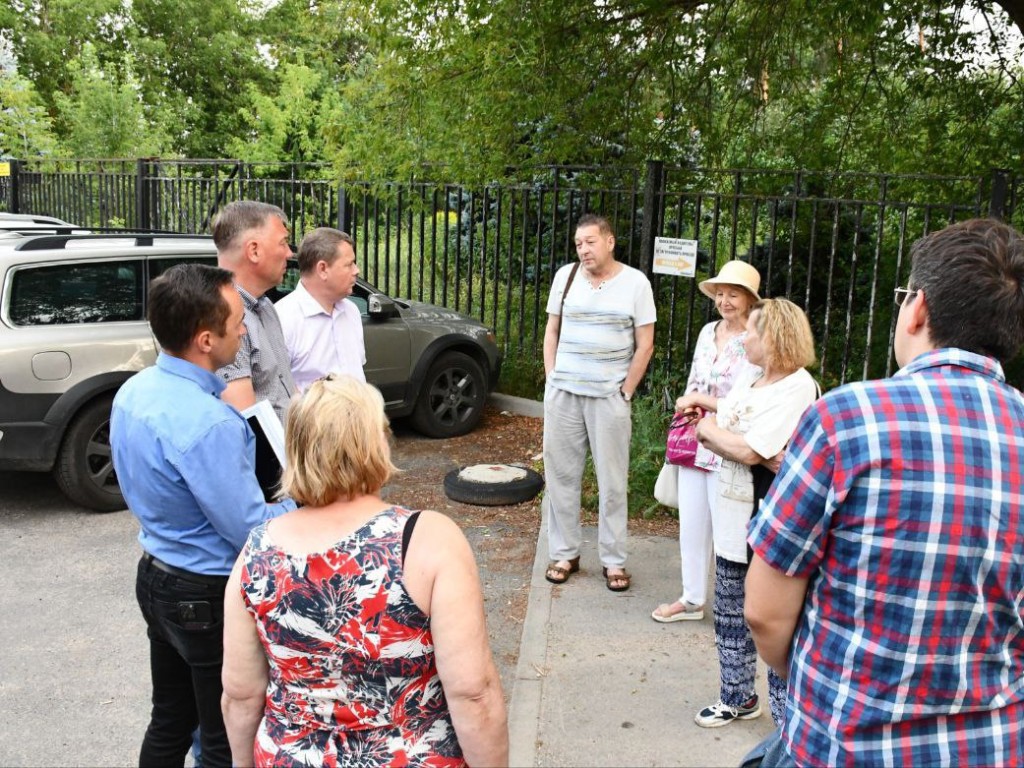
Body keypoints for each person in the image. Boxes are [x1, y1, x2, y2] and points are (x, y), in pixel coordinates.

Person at [745, 218, 1024, 767]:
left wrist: (814, 684)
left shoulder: (845, 421)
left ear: (917, 309)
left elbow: (765, 612)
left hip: (845, 744)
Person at [221, 375, 509, 767]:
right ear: (376, 442)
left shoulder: (255, 553)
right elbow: (473, 692)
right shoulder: (426, 541)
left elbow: (240, 695)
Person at [110, 263, 296, 768]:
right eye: (238, 321)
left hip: (155, 575)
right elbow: (249, 529)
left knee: (169, 719)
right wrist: (302, 501)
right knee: (222, 736)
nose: (244, 329)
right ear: (207, 339)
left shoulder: (135, 391)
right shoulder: (211, 422)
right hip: (204, 594)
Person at [676, 298, 817, 729]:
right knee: (730, 611)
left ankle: (786, 723)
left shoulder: (797, 388)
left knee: (773, 622)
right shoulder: (755, 376)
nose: (744, 339)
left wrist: (705, 430)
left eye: (751, 333)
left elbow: (748, 448)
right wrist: (711, 411)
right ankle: (736, 697)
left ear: (773, 337)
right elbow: (743, 427)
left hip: (772, 522)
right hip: (735, 513)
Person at [542, 213, 656, 592]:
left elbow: (646, 344)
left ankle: (614, 561)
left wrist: (626, 391)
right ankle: (565, 553)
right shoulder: (566, 276)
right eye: (578, 244)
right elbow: (552, 330)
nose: (584, 249)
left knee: (612, 481)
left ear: (610, 241)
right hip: (564, 395)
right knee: (560, 476)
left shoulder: (635, 283)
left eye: (590, 241)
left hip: (608, 397)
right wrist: (551, 377)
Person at [651, 260, 761, 623]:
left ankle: (738, 604)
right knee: (692, 523)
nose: (724, 301)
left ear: (748, 299)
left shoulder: (756, 341)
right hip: (694, 435)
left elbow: (747, 400)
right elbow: (694, 381)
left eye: (733, 294)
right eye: (720, 293)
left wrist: (701, 403)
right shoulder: (707, 331)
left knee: (730, 527)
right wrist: (686, 409)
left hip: (729, 442)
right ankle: (692, 599)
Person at [213, 200, 297, 422]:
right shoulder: (222, 318)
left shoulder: (265, 307)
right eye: (283, 243)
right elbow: (247, 425)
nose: (290, 253)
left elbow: (283, 389)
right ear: (254, 250)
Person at [274, 227, 366, 391]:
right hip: (311, 417)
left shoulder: (351, 311)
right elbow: (277, 390)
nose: (356, 270)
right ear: (323, 269)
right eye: (349, 264)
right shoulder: (283, 318)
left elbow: (358, 372)